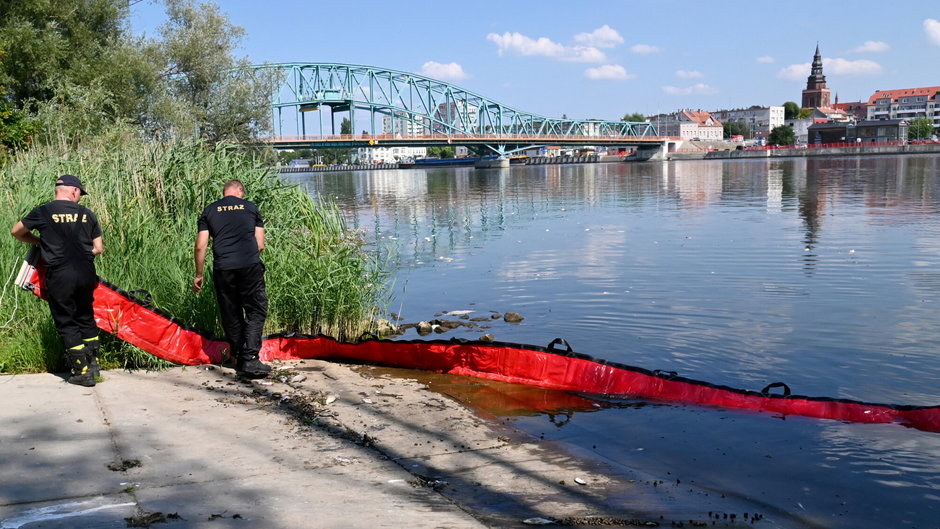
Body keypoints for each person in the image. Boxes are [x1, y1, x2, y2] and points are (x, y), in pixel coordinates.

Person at [11, 174, 103, 387]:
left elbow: (16, 231)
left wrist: (39, 243)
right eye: (80, 193)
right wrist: (81, 252)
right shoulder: (88, 214)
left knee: (66, 321)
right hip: (86, 273)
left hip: (60, 274)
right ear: (73, 190)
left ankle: (82, 372)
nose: (80, 197)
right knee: (85, 316)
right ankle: (94, 365)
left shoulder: (42, 211)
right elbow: (98, 248)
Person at [193, 179, 271, 378]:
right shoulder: (251, 208)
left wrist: (199, 274)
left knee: (231, 312)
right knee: (256, 309)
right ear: (240, 191)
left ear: (225, 192)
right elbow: (260, 245)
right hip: (249, 266)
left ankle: (238, 357)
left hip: (223, 268)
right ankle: (251, 359)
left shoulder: (210, 210)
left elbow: (201, 246)